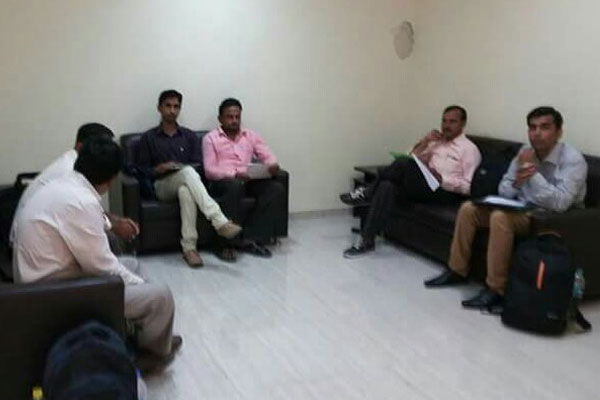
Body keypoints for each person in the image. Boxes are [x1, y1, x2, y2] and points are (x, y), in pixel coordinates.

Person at [13, 137, 182, 370]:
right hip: (50, 292)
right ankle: (152, 354)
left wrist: (135, 281)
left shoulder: (66, 182)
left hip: (45, 277)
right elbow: (102, 266)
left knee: (132, 264)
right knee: (160, 295)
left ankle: (143, 331)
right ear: (111, 179)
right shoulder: (81, 201)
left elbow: (95, 232)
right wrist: (141, 285)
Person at [424, 106, 588, 309]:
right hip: (520, 207)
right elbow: (504, 189)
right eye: (532, 127)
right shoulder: (525, 152)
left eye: (544, 127)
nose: (537, 133)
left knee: (500, 218)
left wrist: (530, 172)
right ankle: (457, 270)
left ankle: (496, 289)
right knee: (469, 209)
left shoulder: (573, 160)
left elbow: (560, 203)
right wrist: (517, 183)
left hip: (549, 217)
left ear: (559, 132)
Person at [341, 105, 481, 258]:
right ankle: (367, 240)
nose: (446, 126)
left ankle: (367, 193)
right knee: (387, 186)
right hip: (425, 185)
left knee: (401, 164)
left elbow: (469, 186)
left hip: (444, 193)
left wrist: (443, 179)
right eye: (444, 121)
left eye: (452, 121)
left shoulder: (469, 149)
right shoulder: (437, 142)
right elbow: (410, 157)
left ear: (463, 124)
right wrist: (425, 141)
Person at [137, 90, 242, 267]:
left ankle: (189, 249)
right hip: (161, 185)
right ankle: (219, 221)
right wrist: (159, 169)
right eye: (168, 106)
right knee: (187, 173)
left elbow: (199, 164)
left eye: (176, 106)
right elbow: (140, 169)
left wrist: (181, 167)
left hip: (186, 181)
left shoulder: (189, 136)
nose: (172, 110)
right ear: (159, 108)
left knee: (186, 189)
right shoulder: (149, 137)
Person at [10, 123, 139, 244]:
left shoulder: (74, 164)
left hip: (35, 233)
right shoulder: (70, 171)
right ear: (81, 147)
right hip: (28, 240)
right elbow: (85, 210)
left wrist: (115, 221)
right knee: (106, 240)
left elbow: (90, 209)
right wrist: (114, 225)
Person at [203, 98, 285, 259]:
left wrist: (272, 164)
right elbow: (210, 170)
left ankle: (249, 238)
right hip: (222, 182)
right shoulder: (210, 138)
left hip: (248, 180)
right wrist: (234, 173)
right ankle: (222, 243)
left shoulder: (250, 135)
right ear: (220, 119)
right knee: (234, 186)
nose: (234, 121)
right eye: (229, 117)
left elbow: (266, 154)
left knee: (275, 188)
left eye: (237, 117)